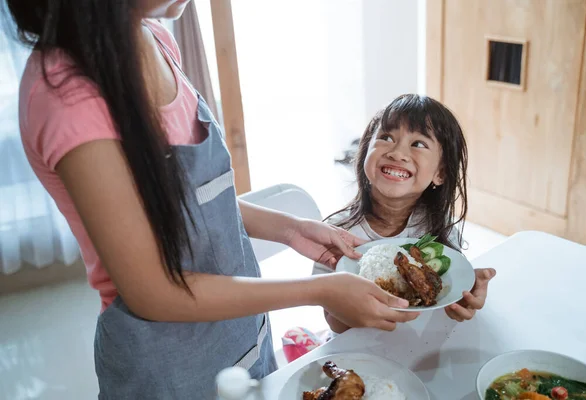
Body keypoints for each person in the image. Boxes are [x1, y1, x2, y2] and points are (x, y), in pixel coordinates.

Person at [3, 1, 418, 397]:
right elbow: (154, 292)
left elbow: (194, 201)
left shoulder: (154, 37)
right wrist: (321, 291)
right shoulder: (67, 98)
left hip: (239, 333)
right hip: (167, 362)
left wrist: (290, 228)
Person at [313, 94, 496, 335]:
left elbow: (440, 297)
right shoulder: (336, 233)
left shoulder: (437, 225)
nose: (397, 153)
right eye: (386, 137)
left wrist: (464, 294)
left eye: (418, 143)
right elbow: (335, 324)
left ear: (440, 173)